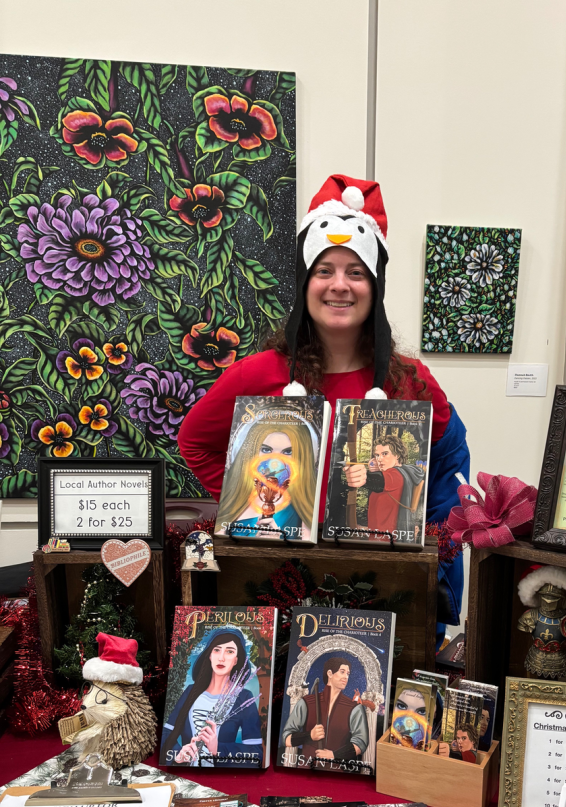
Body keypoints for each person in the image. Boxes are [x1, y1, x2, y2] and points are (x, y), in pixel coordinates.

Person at [178, 174, 470, 648]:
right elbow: (194, 442)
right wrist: (247, 506)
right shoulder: (258, 374)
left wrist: (433, 553)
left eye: (356, 272)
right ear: (305, 282)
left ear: (374, 286)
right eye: (324, 270)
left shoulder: (409, 380)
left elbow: (448, 465)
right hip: (281, 583)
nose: (339, 286)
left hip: (383, 589)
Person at [160, 628, 262, 768]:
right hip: (186, 772)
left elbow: (256, 754)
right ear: (209, 655)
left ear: (236, 660)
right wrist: (178, 754)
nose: (221, 658)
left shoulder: (243, 697)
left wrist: (218, 749)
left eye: (230, 651)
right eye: (217, 650)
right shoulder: (190, 692)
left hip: (221, 776)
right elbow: (166, 734)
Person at [215, 419, 318, 539]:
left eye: (288, 452)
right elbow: (220, 539)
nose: (275, 460)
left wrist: (277, 543)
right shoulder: (234, 498)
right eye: (266, 450)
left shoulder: (304, 510)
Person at [281, 656, 368, 764]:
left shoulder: (354, 708)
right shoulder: (306, 702)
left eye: (348, 673)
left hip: (336, 769)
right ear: (330, 673)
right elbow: (286, 738)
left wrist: (334, 755)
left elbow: (361, 743)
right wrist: (309, 736)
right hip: (306, 767)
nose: (346, 677)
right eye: (342, 672)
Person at [341, 432, 425, 542]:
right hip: (381, 539)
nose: (379, 459)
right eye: (377, 455)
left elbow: (376, 480)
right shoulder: (403, 473)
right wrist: (365, 529)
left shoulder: (396, 474)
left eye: (385, 454)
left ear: (397, 455)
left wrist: (362, 475)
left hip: (388, 543)